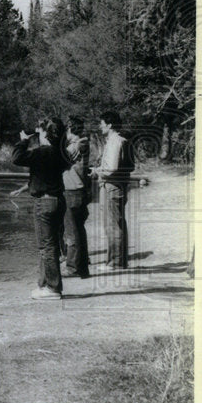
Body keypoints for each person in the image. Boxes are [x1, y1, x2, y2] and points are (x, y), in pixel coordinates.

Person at [11, 118, 69, 300]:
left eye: (40, 130)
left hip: (44, 202)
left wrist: (24, 140)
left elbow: (16, 158)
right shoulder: (61, 152)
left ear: (46, 133)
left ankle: (53, 288)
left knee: (46, 246)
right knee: (50, 245)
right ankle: (44, 284)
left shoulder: (43, 152)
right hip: (58, 200)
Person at [95, 110, 133, 270]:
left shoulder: (114, 142)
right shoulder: (123, 140)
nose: (100, 126)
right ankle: (120, 261)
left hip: (112, 186)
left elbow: (111, 168)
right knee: (118, 223)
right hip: (119, 186)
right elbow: (131, 166)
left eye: (102, 123)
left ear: (109, 125)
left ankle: (114, 263)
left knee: (112, 225)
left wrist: (97, 171)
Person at [62, 115, 92, 279]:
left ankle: (72, 267)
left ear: (70, 129)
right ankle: (82, 267)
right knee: (79, 230)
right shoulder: (83, 143)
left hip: (72, 191)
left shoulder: (77, 145)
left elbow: (59, 159)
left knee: (72, 232)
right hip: (79, 191)